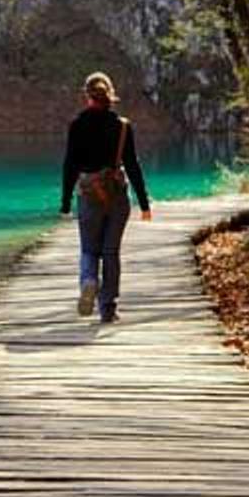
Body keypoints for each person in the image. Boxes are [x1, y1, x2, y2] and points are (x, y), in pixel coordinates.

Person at [60, 72, 152, 323]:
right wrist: (144, 203)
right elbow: (133, 165)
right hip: (117, 197)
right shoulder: (122, 126)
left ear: (87, 96)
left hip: (89, 196)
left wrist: (66, 201)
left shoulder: (77, 125)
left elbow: (70, 165)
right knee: (111, 252)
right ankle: (108, 307)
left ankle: (89, 281)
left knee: (89, 250)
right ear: (110, 95)